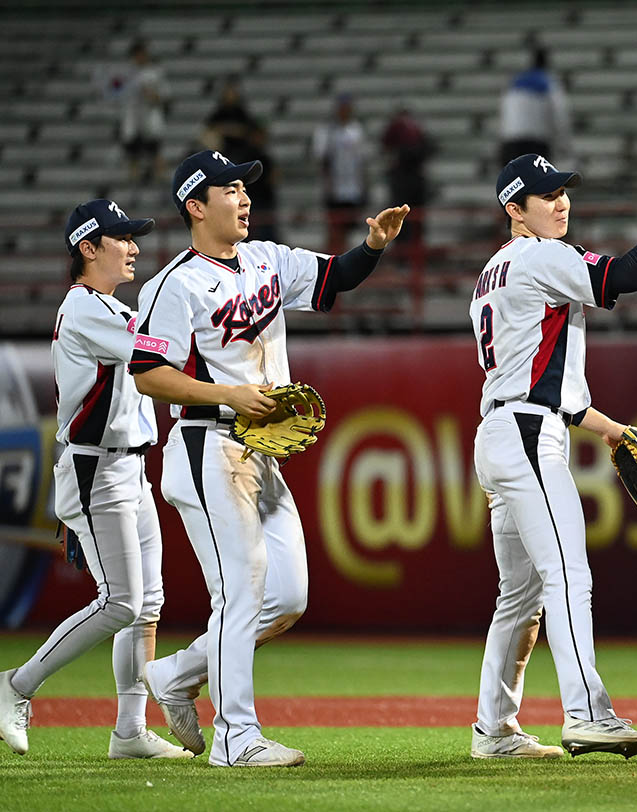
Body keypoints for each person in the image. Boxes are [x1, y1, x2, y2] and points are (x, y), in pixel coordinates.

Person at [129, 150, 409, 768]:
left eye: (245, 186)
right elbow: (147, 373)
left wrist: (373, 246)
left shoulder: (267, 258)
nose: (244, 196)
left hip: (260, 450)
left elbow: (334, 278)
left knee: (285, 597)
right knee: (242, 591)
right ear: (195, 207)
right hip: (207, 441)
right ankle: (235, 737)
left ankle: (177, 673)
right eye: (228, 188)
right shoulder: (172, 284)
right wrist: (226, 393)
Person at [469, 149, 637, 759]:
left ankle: (495, 729)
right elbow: (628, 274)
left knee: (518, 596)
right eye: (546, 195)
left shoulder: (494, 269)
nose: (562, 200)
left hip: (502, 429)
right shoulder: (544, 255)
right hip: (524, 435)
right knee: (567, 575)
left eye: (564, 189)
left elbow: (545, 381)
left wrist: (612, 429)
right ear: (515, 211)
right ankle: (588, 714)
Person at [0, 199, 191, 761]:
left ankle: (130, 731)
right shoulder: (82, 307)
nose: (133, 247)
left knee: (148, 602)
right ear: (88, 248)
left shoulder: (105, 305)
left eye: (133, 237)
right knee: (123, 602)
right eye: (121, 238)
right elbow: (154, 352)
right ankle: (17, 684)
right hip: (95, 466)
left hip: (129, 464)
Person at [312, 94, 370, 254]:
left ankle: (345, 255)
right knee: (334, 226)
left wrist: (364, 185)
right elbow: (322, 159)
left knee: (350, 226)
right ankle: (332, 256)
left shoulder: (356, 130)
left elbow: (362, 160)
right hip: (335, 188)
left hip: (353, 187)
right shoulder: (327, 131)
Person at [498, 48, 572, 166]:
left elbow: (505, 114)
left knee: (513, 181)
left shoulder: (515, 82)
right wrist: (563, 143)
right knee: (538, 181)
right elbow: (559, 115)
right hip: (536, 141)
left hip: (511, 139)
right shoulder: (548, 83)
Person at [111, 41, 168, 182]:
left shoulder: (155, 72)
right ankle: (133, 178)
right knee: (132, 150)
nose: (140, 57)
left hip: (150, 114)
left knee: (154, 148)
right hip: (132, 115)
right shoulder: (125, 73)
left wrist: (151, 95)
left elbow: (164, 95)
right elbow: (115, 91)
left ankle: (161, 177)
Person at [381, 106, 434, 244]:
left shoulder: (416, 129)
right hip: (401, 180)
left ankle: (415, 246)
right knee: (402, 218)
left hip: (412, 179)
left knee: (416, 217)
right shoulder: (398, 128)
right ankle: (404, 248)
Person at [201, 78, 258, 163]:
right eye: (228, 93)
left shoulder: (241, 113)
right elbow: (211, 129)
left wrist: (225, 129)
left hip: (240, 150)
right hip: (222, 151)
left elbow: (245, 130)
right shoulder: (219, 112)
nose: (230, 96)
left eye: (232, 93)